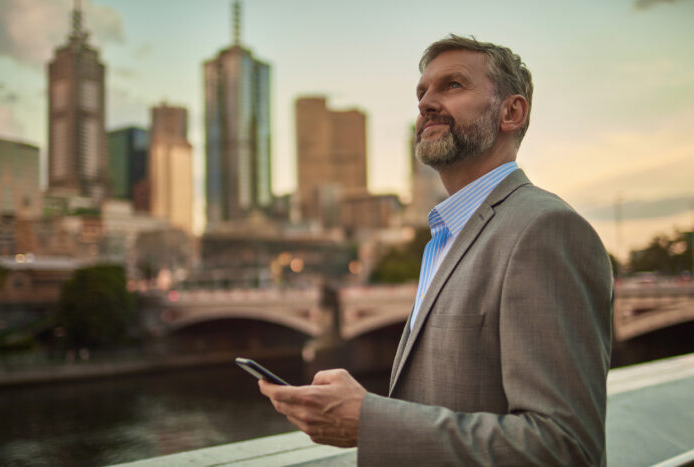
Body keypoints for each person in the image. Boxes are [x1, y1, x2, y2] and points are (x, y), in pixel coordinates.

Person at [259, 34, 613, 466]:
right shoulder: (446, 237)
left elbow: (564, 447)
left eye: (453, 86)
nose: (426, 102)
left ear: (511, 112)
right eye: (422, 92)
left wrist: (369, 421)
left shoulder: (544, 229)